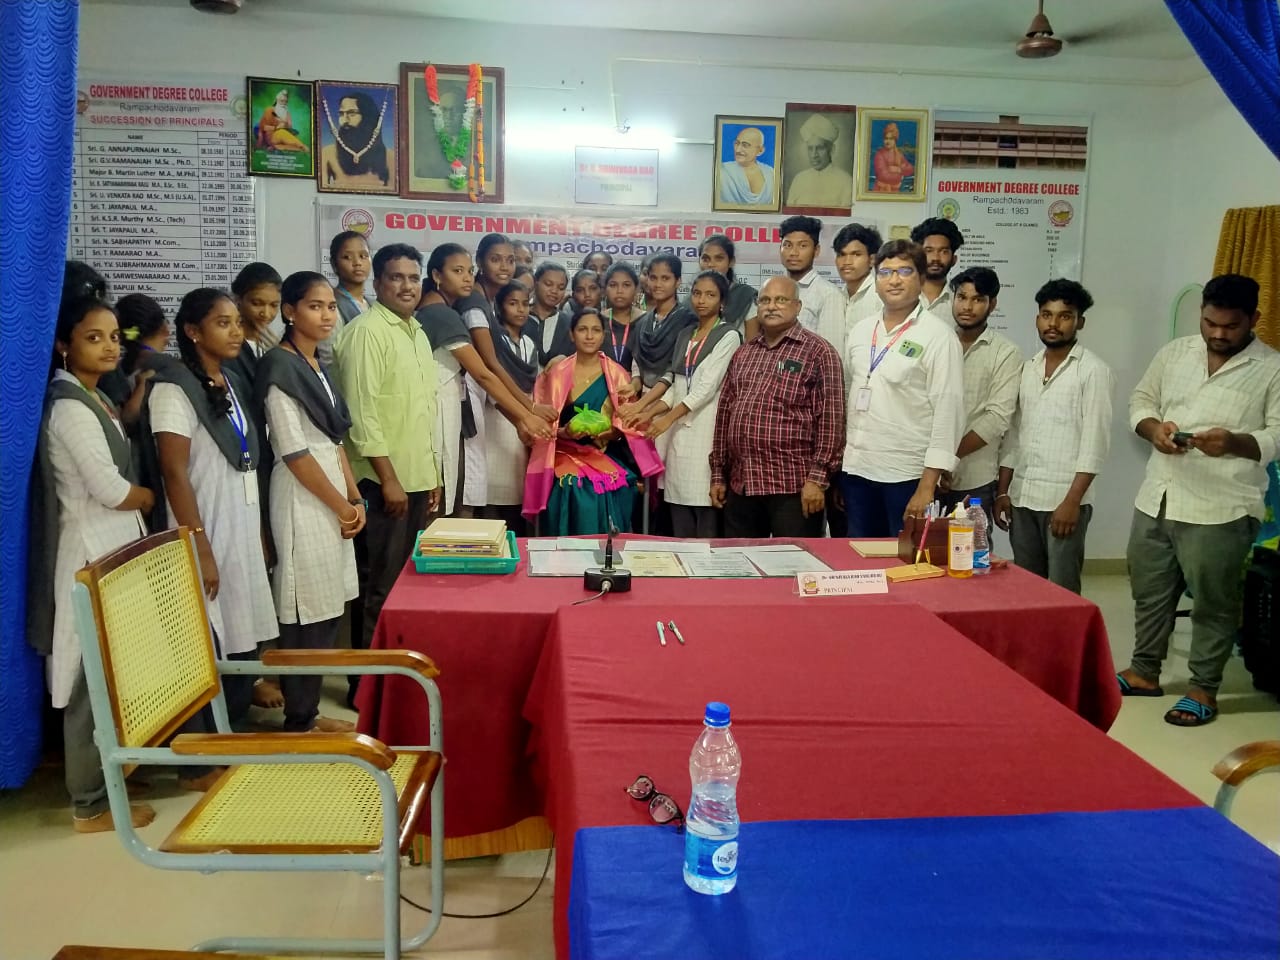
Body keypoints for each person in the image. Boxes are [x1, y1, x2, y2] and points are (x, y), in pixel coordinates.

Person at [1119, 274, 1280, 727]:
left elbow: (1277, 434)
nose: (1218, 333)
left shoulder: (1272, 368)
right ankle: (1144, 672)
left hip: (1221, 507)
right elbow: (1141, 400)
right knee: (1149, 592)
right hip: (1158, 495)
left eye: (1230, 326)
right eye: (1210, 323)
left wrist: (1234, 443)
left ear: (1254, 318)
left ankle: (1202, 688)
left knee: (1213, 601)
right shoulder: (1175, 353)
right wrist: (1155, 430)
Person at [27, 297, 157, 831]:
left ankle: (111, 777)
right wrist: (146, 497)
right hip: (90, 552)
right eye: (93, 337)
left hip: (112, 549)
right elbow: (109, 489)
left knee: (116, 672)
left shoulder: (95, 397)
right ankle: (89, 803)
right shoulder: (70, 407)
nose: (109, 347)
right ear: (64, 344)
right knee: (90, 678)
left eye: (114, 337)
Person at [149, 288, 279, 720]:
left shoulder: (231, 381)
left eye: (237, 323)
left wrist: (259, 532)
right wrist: (199, 545)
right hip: (205, 520)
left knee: (242, 626)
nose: (236, 331)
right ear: (192, 331)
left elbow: (246, 463)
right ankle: (205, 737)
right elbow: (174, 471)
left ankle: (234, 723)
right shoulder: (173, 389)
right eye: (223, 323)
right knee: (207, 633)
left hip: (240, 522)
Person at [256, 273, 363, 734]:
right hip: (302, 498)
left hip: (332, 494)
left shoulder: (317, 363)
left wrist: (355, 496)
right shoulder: (279, 368)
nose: (326, 315)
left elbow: (333, 440)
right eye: (314, 306)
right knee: (305, 612)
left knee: (327, 608)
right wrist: (342, 506)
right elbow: (295, 453)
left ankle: (310, 713)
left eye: (330, 307)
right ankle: (298, 720)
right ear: (289, 311)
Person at [332, 243, 442, 682]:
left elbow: (421, 413)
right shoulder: (366, 333)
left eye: (413, 278)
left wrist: (431, 476)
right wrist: (389, 479)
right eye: (396, 277)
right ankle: (365, 684)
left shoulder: (417, 333)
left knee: (401, 583)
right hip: (382, 484)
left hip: (414, 478)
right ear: (377, 283)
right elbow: (362, 416)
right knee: (377, 585)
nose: (407, 286)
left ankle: (390, 674)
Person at [839, 240, 965, 538]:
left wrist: (927, 485)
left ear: (921, 279)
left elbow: (949, 413)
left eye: (904, 271)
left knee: (905, 561)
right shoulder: (861, 331)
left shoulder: (938, 336)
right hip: (857, 472)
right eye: (885, 272)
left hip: (907, 477)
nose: (894, 280)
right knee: (859, 558)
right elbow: (849, 396)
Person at [996, 279, 1114, 594]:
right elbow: (1014, 435)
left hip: (1063, 500)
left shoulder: (1093, 371)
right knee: (1026, 587)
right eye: (1047, 315)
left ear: (1080, 322)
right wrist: (1003, 491)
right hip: (1023, 497)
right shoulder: (1028, 369)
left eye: (1064, 316)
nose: (1053, 323)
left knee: (1062, 589)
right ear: (1037, 319)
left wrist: (1072, 503)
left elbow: (1095, 443)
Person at [417, 245, 550, 517]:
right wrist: (527, 414)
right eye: (457, 271)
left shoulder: (446, 309)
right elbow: (484, 373)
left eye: (468, 271)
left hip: (450, 413)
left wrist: (520, 418)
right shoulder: (443, 314)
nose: (467, 278)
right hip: (440, 414)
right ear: (437, 275)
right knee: (442, 508)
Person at [709, 275, 845, 538]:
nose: (771, 306)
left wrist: (817, 479)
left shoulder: (819, 352)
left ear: (798, 306)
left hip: (793, 486)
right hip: (742, 484)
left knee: (792, 560)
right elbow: (725, 414)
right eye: (765, 300)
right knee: (740, 560)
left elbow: (831, 421)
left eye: (781, 300)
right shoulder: (745, 353)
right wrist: (718, 473)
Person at [522, 308, 663, 534]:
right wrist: (565, 433)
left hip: (605, 450)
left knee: (620, 482)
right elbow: (542, 424)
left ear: (603, 335)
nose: (589, 336)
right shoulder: (557, 373)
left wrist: (609, 433)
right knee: (574, 485)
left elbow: (627, 424)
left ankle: (609, 549)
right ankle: (565, 550)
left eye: (596, 330)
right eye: (582, 330)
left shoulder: (617, 374)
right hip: (563, 450)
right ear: (571, 334)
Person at [626, 271, 743, 538]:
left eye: (710, 295)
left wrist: (668, 418)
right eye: (697, 293)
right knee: (679, 516)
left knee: (705, 518)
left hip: (706, 430)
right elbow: (677, 385)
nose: (702, 300)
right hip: (678, 435)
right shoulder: (686, 335)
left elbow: (705, 389)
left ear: (723, 302)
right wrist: (648, 413)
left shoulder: (728, 336)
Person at [455, 233, 558, 513]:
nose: (504, 266)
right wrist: (528, 410)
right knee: (469, 495)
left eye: (510, 260)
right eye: (495, 259)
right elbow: (490, 365)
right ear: (479, 262)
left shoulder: (486, 302)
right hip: (468, 399)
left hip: (489, 397)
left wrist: (525, 414)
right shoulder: (474, 304)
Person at [942, 267, 1021, 528]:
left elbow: (997, 418)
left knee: (971, 548)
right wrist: (935, 464)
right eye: (962, 297)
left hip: (975, 479)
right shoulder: (939, 343)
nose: (967, 306)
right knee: (925, 545)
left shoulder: (1005, 353)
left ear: (992, 304)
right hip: (927, 474)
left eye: (977, 299)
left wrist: (946, 458)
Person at [486, 281, 543, 532]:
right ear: (499, 307)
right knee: (495, 488)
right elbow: (492, 387)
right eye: (512, 303)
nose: (520, 309)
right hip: (498, 417)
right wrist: (521, 416)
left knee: (517, 489)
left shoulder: (529, 342)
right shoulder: (494, 341)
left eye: (525, 304)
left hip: (527, 417)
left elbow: (534, 381)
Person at [778, 215, 845, 352]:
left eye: (803, 246)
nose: (794, 253)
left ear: (816, 250)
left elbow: (831, 352)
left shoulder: (829, 294)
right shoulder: (774, 290)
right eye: (788, 245)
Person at [631, 253, 695, 392]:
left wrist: (644, 402)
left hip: (675, 397)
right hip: (643, 398)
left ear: (678, 281)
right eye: (653, 278)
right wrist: (632, 387)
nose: (658, 284)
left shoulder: (688, 321)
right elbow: (637, 367)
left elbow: (675, 370)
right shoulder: (642, 322)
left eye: (665, 278)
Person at [116, 293, 174, 429]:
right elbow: (127, 420)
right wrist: (142, 387)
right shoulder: (167, 369)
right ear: (164, 328)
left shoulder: (114, 371)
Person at [320, 91, 391, 190]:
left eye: (352, 113)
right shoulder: (327, 153)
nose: (344, 120)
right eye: (341, 114)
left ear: (367, 117)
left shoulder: (389, 157)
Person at [785, 113, 853, 210]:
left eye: (820, 148)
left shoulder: (845, 181)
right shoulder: (799, 179)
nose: (814, 155)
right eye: (810, 148)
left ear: (831, 150)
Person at [328, 230, 373, 358]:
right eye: (347, 257)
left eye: (363, 256)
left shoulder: (373, 305)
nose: (357, 262)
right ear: (334, 264)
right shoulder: (331, 305)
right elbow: (329, 357)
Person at [698, 234, 757, 331]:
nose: (711, 264)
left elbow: (752, 339)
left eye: (718, 259)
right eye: (705, 259)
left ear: (731, 262)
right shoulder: (692, 301)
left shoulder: (745, 296)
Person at [834, 222, 884, 331]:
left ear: (872, 260)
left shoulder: (880, 296)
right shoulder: (838, 296)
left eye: (856, 254)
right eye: (841, 255)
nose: (847, 262)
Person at [910, 218, 964, 318]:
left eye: (944, 252)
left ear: (954, 259)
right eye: (929, 251)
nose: (935, 258)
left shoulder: (961, 302)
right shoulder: (902, 296)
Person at [526, 261, 573, 366]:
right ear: (535, 283)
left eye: (561, 288)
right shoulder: (518, 316)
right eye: (548, 284)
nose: (554, 291)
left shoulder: (569, 323)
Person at [601, 261, 642, 375]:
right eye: (613, 285)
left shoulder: (646, 321)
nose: (619, 291)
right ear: (605, 289)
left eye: (626, 285)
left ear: (636, 289)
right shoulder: (597, 320)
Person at [719, 126, 775, 207]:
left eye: (745, 145)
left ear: (760, 150)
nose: (738, 150)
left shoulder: (770, 173)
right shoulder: (723, 171)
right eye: (737, 143)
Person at [257, 88, 309, 153]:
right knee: (282, 132)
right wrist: (276, 127)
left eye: (285, 101)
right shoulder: (269, 110)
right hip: (271, 137)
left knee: (288, 138)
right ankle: (302, 146)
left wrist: (286, 122)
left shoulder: (287, 113)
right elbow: (263, 127)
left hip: (283, 136)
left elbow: (290, 127)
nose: (284, 103)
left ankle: (276, 147)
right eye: (282, 101)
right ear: (277, 100)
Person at [871, 122, 913, 194]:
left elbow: (910, 169)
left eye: (891, 139)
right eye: (886, 138)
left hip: (895, 191)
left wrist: (899, 169)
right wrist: (899, 176)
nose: (888, 141)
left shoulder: (899, 154)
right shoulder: (879, 154)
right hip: (880, 191)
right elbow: (883, 175)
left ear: (895, 140)